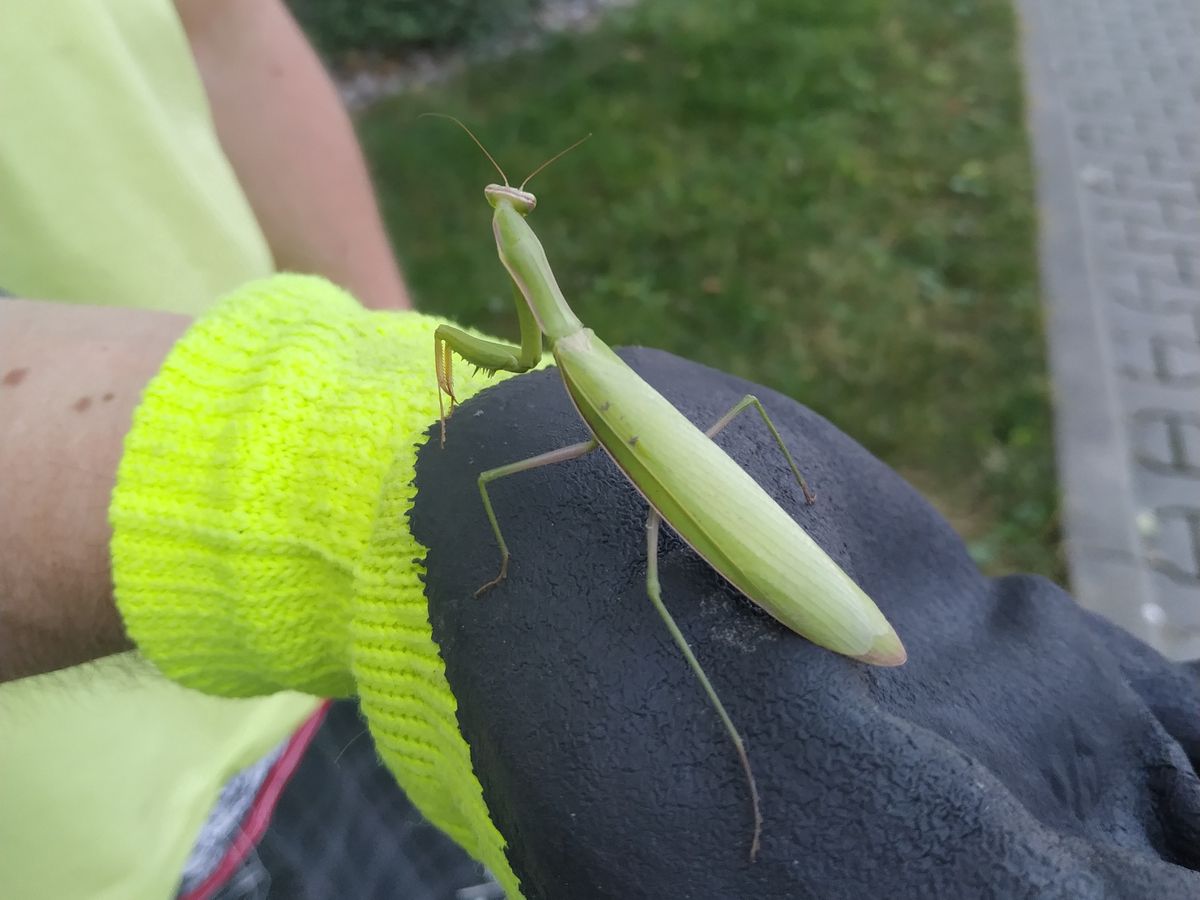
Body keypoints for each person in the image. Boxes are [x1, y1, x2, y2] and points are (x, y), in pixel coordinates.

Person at [5, 2, 1200, 899]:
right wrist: (337, 441)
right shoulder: (576, 359)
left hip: (333, 701)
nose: (503, 205)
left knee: (647, 586)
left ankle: (738, 751)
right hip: (112, 826)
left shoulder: (562, 365)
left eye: (508, 208)